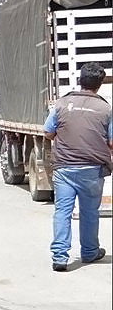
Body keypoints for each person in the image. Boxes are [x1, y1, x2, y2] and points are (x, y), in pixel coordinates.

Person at [43, 62, 113, 272]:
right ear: (99, 85)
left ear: (80, 80)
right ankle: (90, 252)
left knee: (62, 212)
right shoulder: (106, 108)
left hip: (64, 168)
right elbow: (111, 142)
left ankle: (60, 257)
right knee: (90, 212)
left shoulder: (63, 104)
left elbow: (48, 132)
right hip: (92, 169)